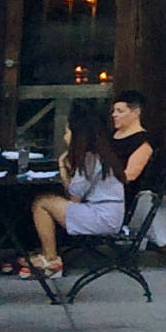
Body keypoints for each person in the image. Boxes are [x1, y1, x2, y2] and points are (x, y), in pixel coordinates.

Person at [24, 102, 137, 273]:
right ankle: (48, 254)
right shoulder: (103, 155)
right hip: (109, 213)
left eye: (67, 132)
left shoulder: (89, 159)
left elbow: (74, 195)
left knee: (41, 203)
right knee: (47, 201)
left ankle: (51, 258)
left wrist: (62, 166)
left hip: (101, 217)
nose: (65, 137)